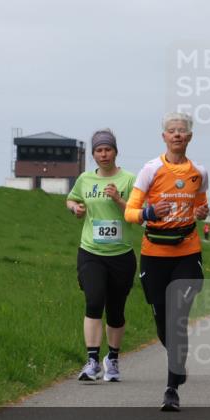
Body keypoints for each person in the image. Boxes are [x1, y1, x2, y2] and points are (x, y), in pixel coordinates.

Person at [124, 113, 209, 412]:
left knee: (177, 318)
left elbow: (201, 206)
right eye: (171, 131)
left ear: (189, 137)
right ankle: (178, 359)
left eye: (182, 131)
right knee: (162, 320)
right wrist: (149, 213)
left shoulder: (199, 172)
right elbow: (130, 212)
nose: (177, 135)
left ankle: (171, 388)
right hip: (155, 254)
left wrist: (201, 213)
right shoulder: (150, 169)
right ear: (164, 137)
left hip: (187, 253)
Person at [66, 130, 136, 383]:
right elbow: (71, 199)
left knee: (115, 311)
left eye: (108, 149)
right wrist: (75, 208)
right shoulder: (85, 179)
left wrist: (118, 199)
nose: (103, 154)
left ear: (116, 152)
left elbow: (136, 214)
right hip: (91, 252)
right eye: (99, 150)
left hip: (121, 255)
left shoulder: (129, 179)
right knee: (94, 301)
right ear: (93, 154)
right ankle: (92, 361)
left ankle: (112, 359)